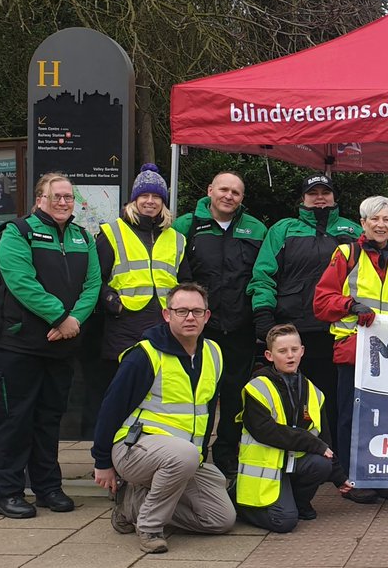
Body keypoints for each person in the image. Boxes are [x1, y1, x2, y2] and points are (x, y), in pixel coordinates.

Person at [0, 172, 100, 518]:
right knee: (14, 420)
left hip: (60, 346)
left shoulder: (83, 237)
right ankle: (6, 492)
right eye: (57, 196)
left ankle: (48, 487)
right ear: (40, 199)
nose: (64, 202)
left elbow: (92, 284)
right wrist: (59, 318)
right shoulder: (17, 233)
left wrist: (74, 321)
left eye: (68, 197)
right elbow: (21, 281)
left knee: (49, 420)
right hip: (16, 345)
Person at [91, 283, 235, 554]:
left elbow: (203, 414)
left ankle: (131, 507)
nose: (190, 317)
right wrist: (102, 462)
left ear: (207, 316)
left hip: (185, 457)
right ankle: (149, 525)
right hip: (134, 450)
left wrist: (201, 456)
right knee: (183, 456)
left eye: (196, 311)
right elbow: (111, 408)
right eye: (181, 311)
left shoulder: (214, 353)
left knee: (220, 519)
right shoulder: (144, 354)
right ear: (167, 315)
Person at [248, 172, 360, 487]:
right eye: (313, 193)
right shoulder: (282, 230)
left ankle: (338, 462)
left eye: (326, 192)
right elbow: (264, 274)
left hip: (338, 331)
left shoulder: (353, 230)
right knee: (292, 399)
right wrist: (263, 314)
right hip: (293, 332)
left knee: (337, 400)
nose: (320, 198)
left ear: (335, 197)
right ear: (303, 199)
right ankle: (298, 460)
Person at [313, 195, 388, 502]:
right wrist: (350, 304)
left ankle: (384, 473)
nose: (381, 225)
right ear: (363, 223)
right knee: (351, 417)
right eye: (375, 219)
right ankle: (352, 478)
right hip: (354, 352)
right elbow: (321, 303)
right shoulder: (347, 254)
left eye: (386, 219)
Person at [174, 171, 267, 476]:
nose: (229, 196)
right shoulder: (186, 225)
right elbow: (176, 275)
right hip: (201, 331)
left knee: (234, 397)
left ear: (242, 198)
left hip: (240, 329)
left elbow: (262, 276)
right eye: (224, 189)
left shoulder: (256, 229)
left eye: (236, 192)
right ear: (210, 190)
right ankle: (194, 454)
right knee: (198, 395)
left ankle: (227, 455)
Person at [88, 164, 187, 433]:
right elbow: (95, 278)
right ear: (134, 200)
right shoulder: (112, 231)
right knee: (121, 395)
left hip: (163, 325)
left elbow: (184, 282)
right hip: (125, 325)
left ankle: (148, 452)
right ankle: (111, 457)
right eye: (144, 196)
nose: (150, 202)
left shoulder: (177, 238)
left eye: (156, 197)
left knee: (157, 394)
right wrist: (111, 302)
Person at [234, 324, 338, 532]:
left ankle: (298, 502)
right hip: (266, 468)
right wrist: (311, 442)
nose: (290, 356)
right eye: (282, 351)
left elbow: (325, 439)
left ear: (302, 351)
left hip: (292, 463)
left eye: (294, 350)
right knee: (284, 522)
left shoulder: (314, 391)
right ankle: (237, 500)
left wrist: (340, 478)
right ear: (269, 355)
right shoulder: (257, 387)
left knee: (322, 464)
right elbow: (267, 431)